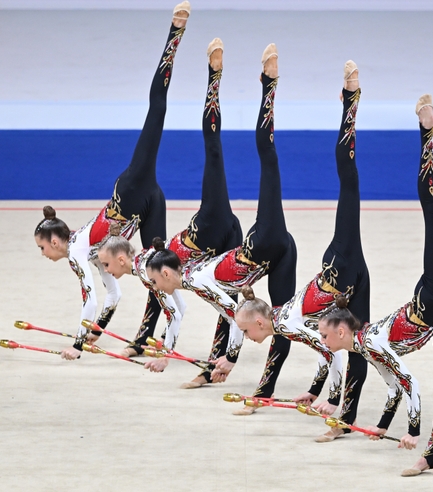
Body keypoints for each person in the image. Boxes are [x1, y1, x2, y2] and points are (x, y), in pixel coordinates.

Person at [32, 2, 191, 360]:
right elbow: (112, 295)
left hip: (130, 193)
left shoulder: (76, 252)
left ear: (55, 241)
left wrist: (77, 345)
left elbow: (89, 297)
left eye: (43, 247)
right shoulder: (89, 253)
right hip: (150, 199)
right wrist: (97, 333)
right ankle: (148, 338)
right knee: (156, 268)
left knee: (157, 112)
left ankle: (175, 34)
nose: (43, 254)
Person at [318, 95, 433, 476]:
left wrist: (412, 430)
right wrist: (382, 426)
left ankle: (427, 132)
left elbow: (410, 382)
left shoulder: (371, 343)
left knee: (431, 209)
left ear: (343, 330)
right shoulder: (366, 349)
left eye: (326, 336)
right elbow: (393, 386)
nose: (324, 342)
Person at [144, 43, 298, 389]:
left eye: (157, 282)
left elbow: (233, 316)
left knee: (262, 159)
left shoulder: (198, 279)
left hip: (264, 244)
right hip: (280, 254)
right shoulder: (196, 278)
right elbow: (233, 316)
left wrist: (228, 355)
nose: (157, 289)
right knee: (282, 322)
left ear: (167, 273)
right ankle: (261, 390)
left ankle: (262, 82)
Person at [232, 61, 370, 442]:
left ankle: (351, 100)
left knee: (348, 183)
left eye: (245, 332)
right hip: (345, 273)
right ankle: (350, 99)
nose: (247, 338)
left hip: (341, 266)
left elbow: (330, 354)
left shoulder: (288, 325)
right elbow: (325, 350)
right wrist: (314, 391)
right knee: (357, 346)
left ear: (261, 322)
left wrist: (328, 395)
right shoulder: (281, 320)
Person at [97, 38, 242, 371]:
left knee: (214, 151)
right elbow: (171, 305)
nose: (107, 271)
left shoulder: (148, 268)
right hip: (215, 237)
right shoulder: (146, 267)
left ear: (121, 258)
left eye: (107, 265)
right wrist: (160, 348)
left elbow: (175, 310)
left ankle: (214, 76)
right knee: (225, 298)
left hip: (208, 227)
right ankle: (216, 362)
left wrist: (164, 353)